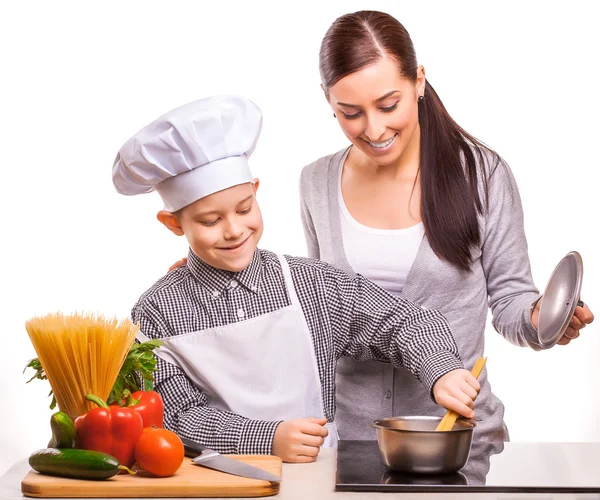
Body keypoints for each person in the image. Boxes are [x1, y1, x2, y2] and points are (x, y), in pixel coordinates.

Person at [112, 95, 480, 463]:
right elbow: (173, 415)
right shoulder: (156, 311)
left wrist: (441, 369)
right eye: (210, 221)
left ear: (256, 191)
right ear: (173, 223)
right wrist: (265, 438)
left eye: (244, 209)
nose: (234, 230)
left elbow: (401, 321)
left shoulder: (312, 285)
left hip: (316, 480)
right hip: (219, 484)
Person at [299, 10, 595, 443]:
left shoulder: (482, 174)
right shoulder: (315, 182)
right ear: (328, 101)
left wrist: (541, 318)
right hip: (349, 441)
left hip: (455, 435)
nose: (374, 128)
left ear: (418, 81)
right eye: (350, 113)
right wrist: (213, 281)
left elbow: (511, 300)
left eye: (388, 105)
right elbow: (321, 308)